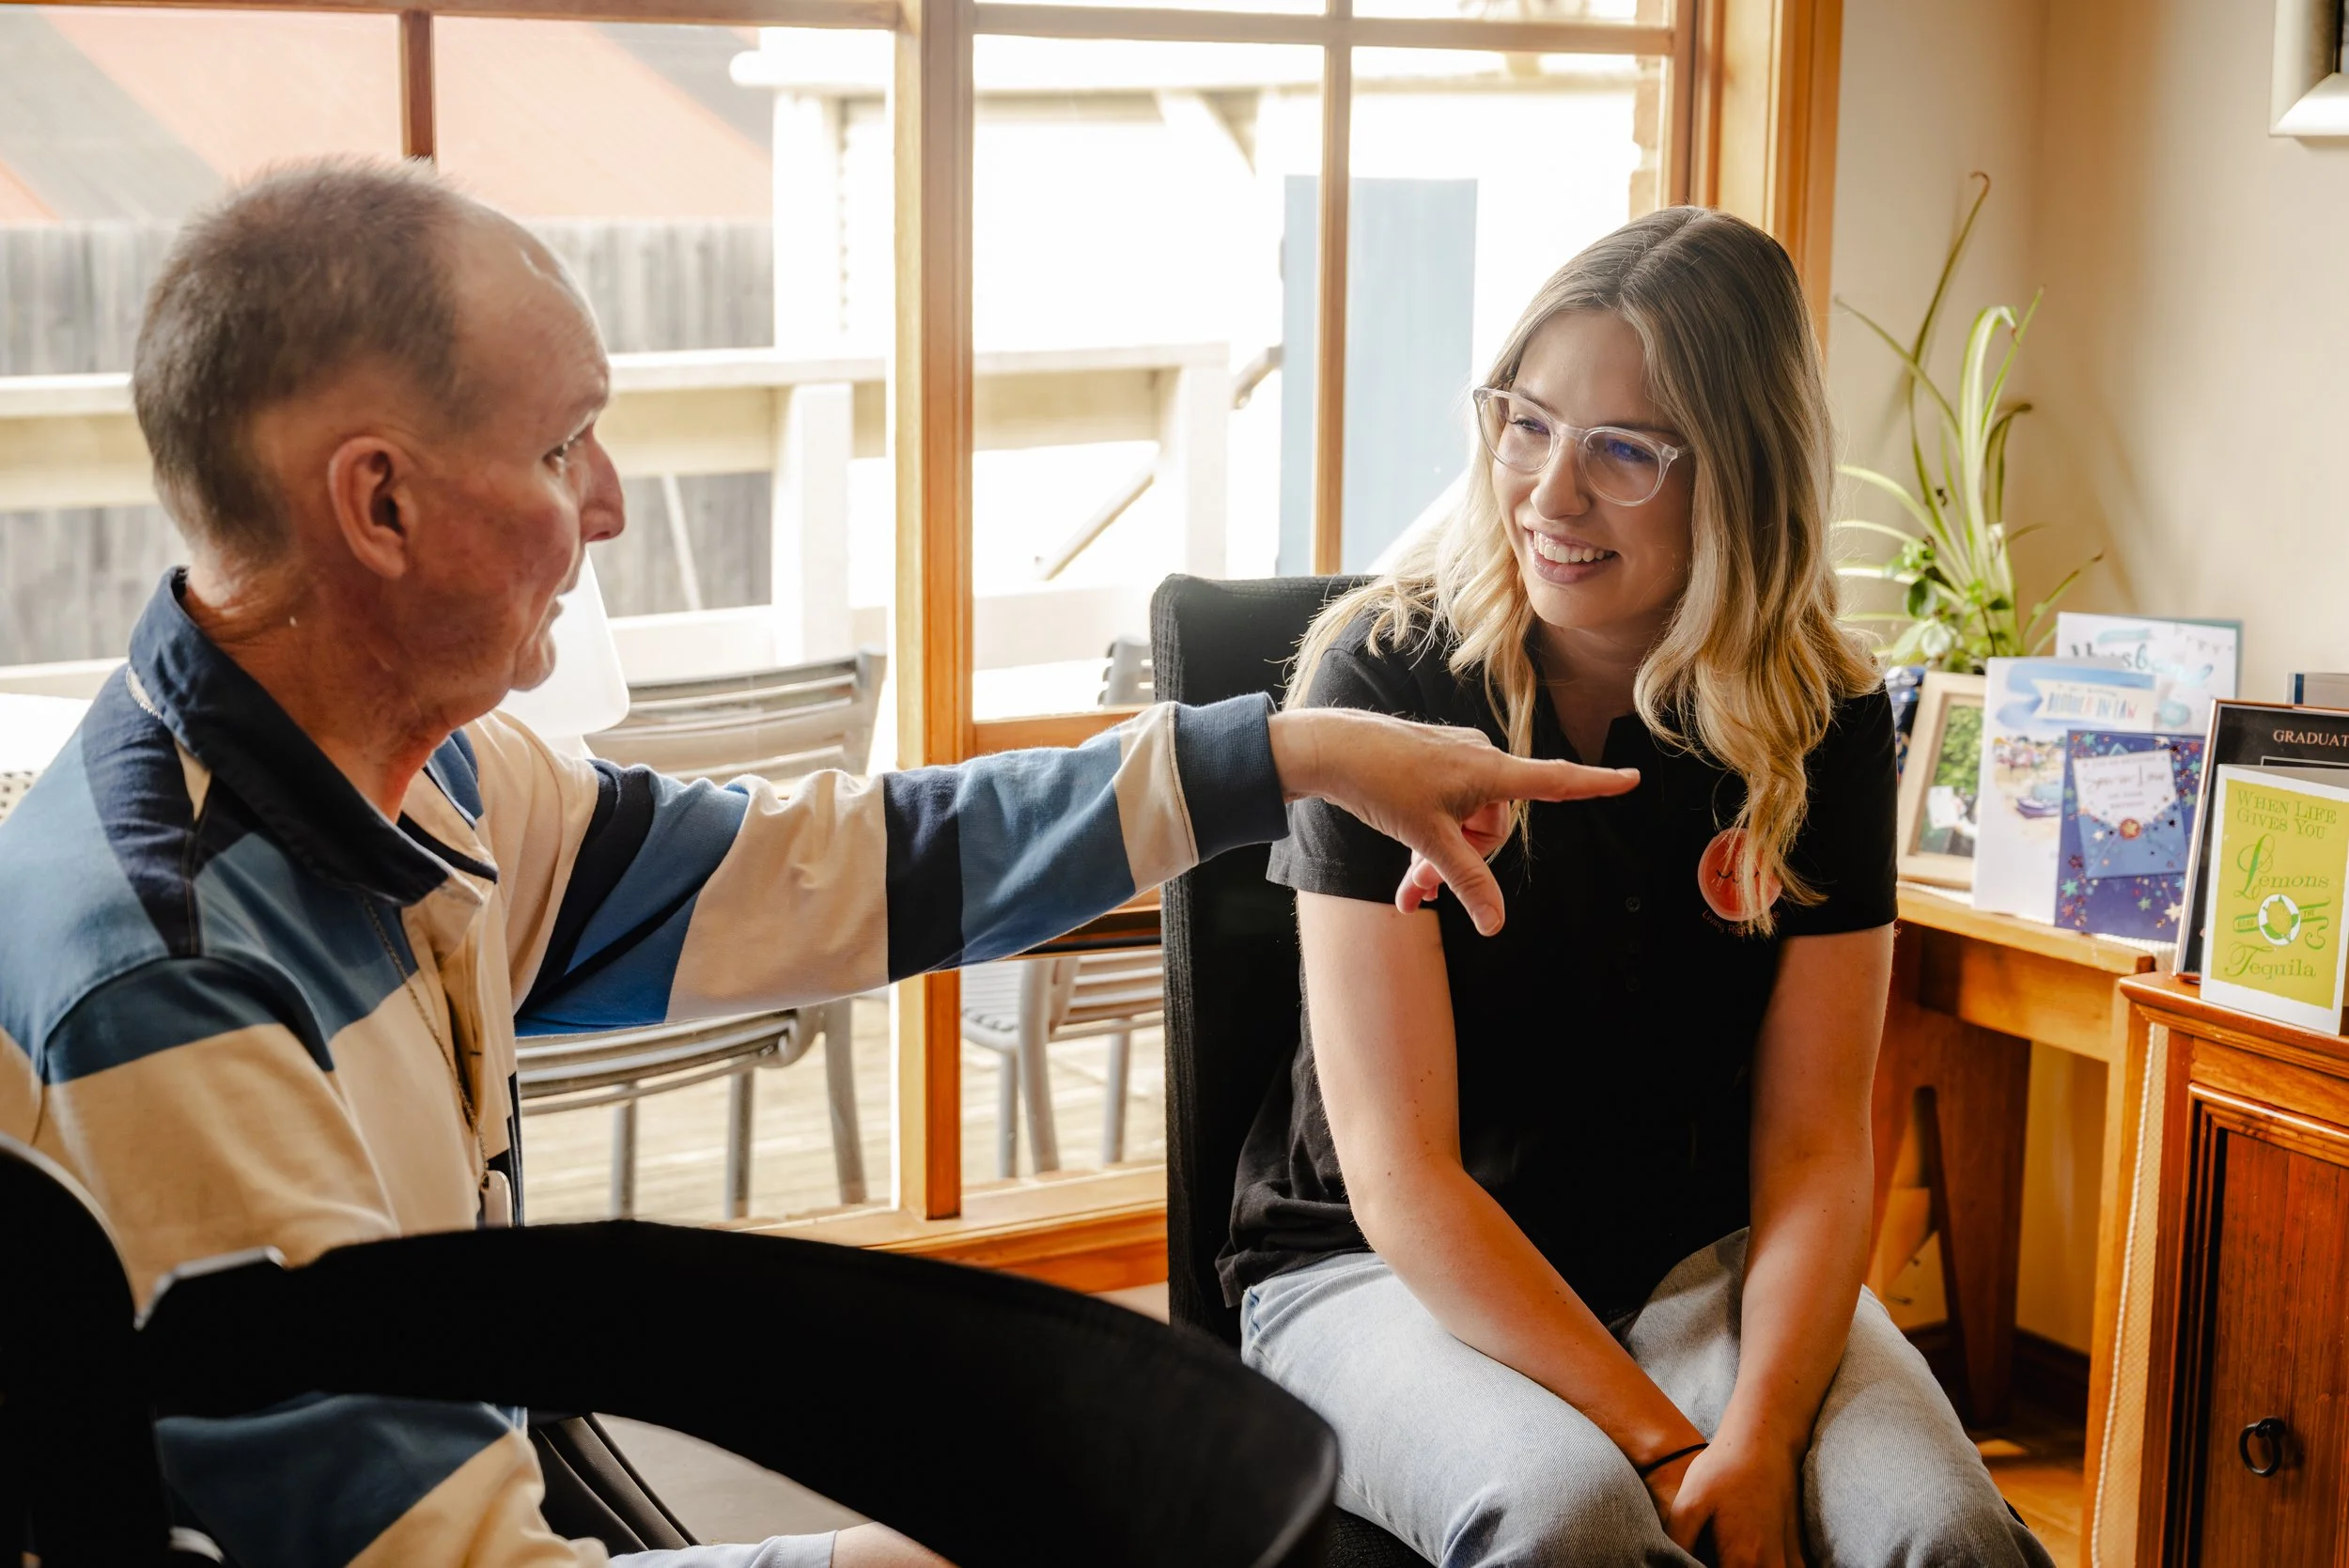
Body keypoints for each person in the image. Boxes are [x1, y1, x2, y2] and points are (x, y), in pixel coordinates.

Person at [0, 161, 1641, 1568]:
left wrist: (1281, 756)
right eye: (568, 443)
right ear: (380, 504)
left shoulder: (419, 785)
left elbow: (838, 867)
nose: (613, 502)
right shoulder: (171, 983)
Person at [1221, 208, 2055, 1568]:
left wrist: (1766, 1434)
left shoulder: (1825, 716)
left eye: (1624, 450)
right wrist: (1675, 1447)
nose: (1551, 493)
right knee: (1580, 1520)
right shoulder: (1381, 682)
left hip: (1697, 1262)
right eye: (1526, 421)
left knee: (1944, 1535)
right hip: (1377, 1272)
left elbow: (1813, 1149)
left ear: (1739, 474)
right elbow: (1399, 1172)